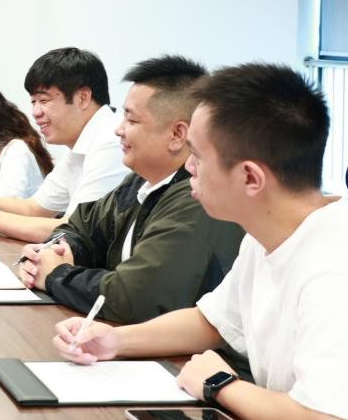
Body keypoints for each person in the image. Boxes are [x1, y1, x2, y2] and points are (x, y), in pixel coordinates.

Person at [53, 63, 348, 420]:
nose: (189, 168)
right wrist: (115, 340)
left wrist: (219, 383)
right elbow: (211, 321)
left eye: (197, 155)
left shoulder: (336, 261)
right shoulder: (265, 235)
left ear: (250, 178)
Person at [18, 56, 244, 325]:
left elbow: (136, 297)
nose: (119, 130)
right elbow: (82, 225)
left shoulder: (195, 199)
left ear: (177, 134)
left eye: (131, 120)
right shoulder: (139, 182)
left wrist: (56, 274)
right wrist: (64, 250)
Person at [0, 47, 128, 242]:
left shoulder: (111, 140)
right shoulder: (82, 146)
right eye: (33, 102)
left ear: (82, 98)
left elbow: (75, 231)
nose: (36, 112)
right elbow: (34, 208)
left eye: (43, 100)